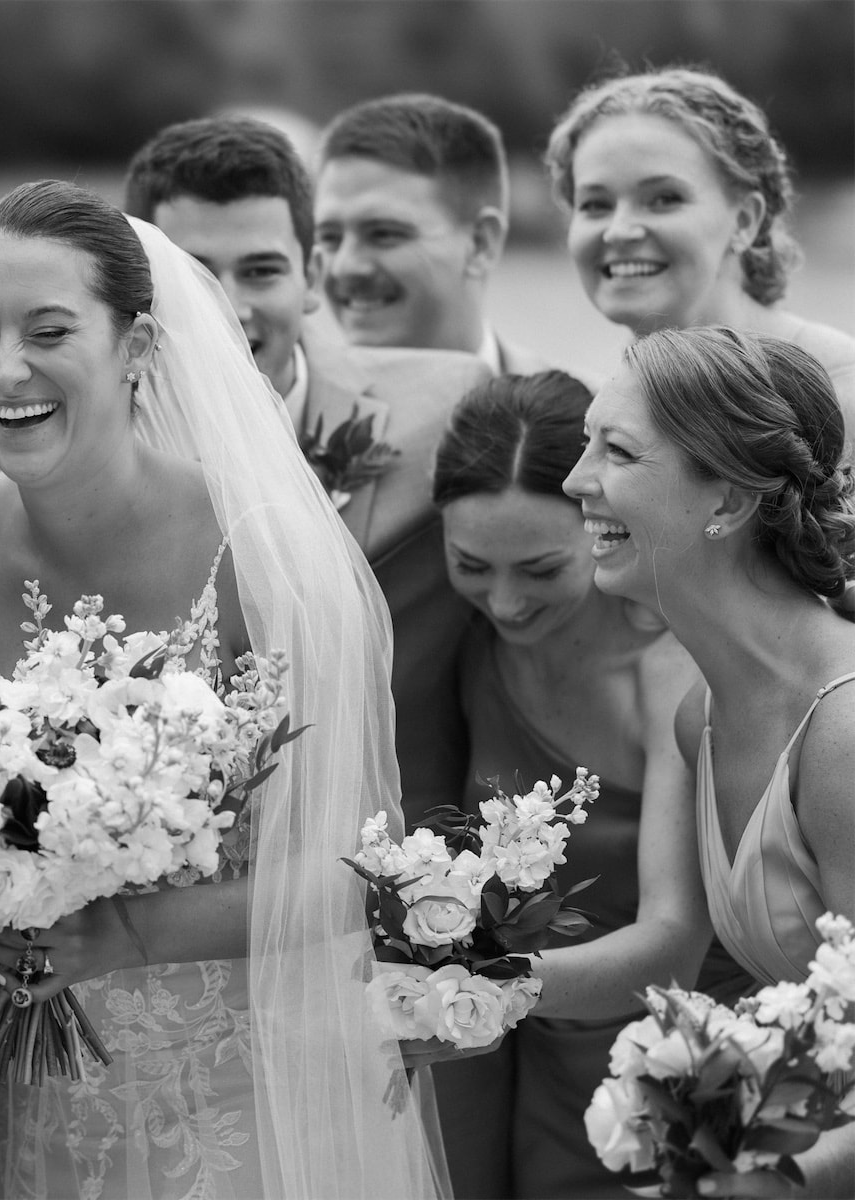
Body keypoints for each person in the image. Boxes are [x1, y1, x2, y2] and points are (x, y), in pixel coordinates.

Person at [0, 179, 446, 1199]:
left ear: (137, 348)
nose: (3, 368)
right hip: (18, 1102)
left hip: (235, 1107)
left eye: (49, 330)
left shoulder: (265, 554)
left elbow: (357, 872)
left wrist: (124, 933)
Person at [526, 326, 855, 1197]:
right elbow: (667, 947)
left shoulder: (843, 734)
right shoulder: (700, 715)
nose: (573, 480)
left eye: (618, 451)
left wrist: (784, 1180)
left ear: (729, 501)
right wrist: (459, 993)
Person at [124, 114, 492, 830]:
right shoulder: (98, 457)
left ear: (314, 275)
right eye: (195, 276)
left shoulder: (447, 408)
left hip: (403, 866)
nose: (229, 308)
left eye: (261, 270)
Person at [431, 370, 703, 1197]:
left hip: (667, 1078)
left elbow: (674, 941)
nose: (505, 603)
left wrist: (483, 990)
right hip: (537, 1079)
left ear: (605, 522)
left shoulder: (669, 671)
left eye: (541, 569)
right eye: (472, 564)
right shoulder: (471, 647)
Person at [544, 66, 855, 443]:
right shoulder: (589, 405)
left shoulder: (839, 400)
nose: (619, 230)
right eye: (595, 204)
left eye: (664, 199)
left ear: (744, 220)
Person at [315, 94, 552, 376]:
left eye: (383, 234)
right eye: (330, 238)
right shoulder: (280, 416)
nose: (345, 266)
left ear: (480, 244)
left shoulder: (588, 413)